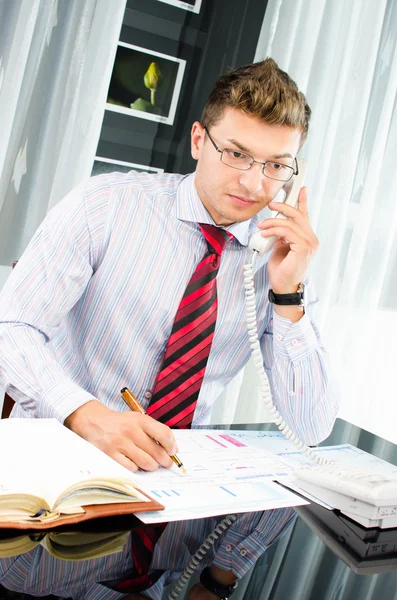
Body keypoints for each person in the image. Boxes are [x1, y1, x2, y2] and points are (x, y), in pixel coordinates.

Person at [0, 57, 338, 600]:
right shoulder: (105, 205)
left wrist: (288, 292)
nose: (255, 183)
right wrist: (86, 414)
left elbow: (310, 428)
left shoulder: (275, 252)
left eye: (278, 165)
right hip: (58, 510)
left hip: (173, 522)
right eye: (237, 154)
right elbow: (12, 326)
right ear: (200, 139)